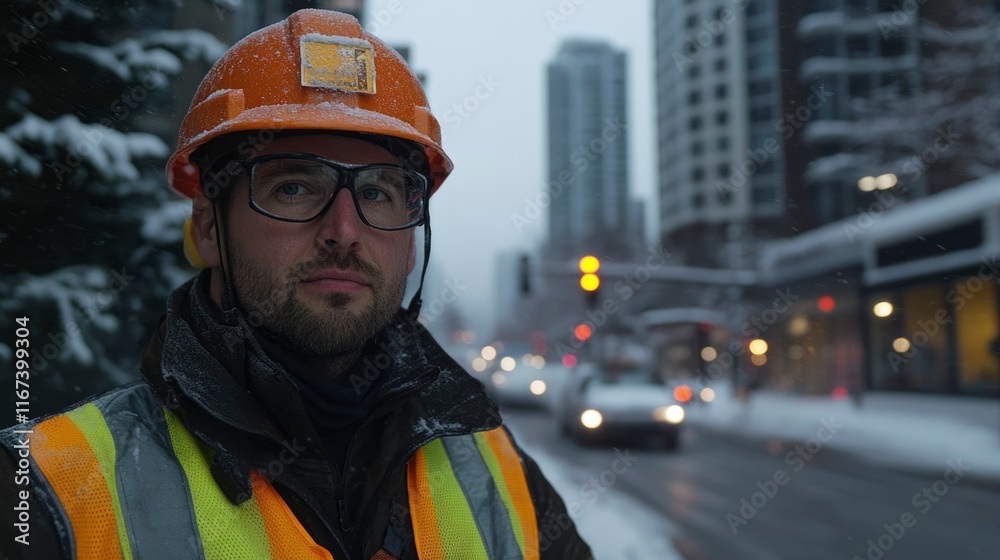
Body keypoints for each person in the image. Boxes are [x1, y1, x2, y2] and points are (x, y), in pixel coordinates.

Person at [0, 9, 592, 560]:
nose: (344, 231)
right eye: (293, 187)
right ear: (209, 228)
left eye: (379, 192)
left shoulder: (500, 474)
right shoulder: (47, 493)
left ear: (411, 241)